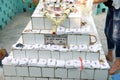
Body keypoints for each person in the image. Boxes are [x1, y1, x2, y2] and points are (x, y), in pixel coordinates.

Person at [79, 0, 120, 74]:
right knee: (108, 31)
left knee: (117, 36)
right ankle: (110, 54)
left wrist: (90, 1)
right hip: (112, 5)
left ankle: (118, 62)